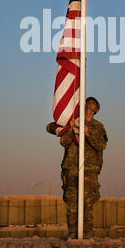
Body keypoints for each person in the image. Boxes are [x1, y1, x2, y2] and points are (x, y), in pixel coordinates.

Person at [46, 97, 108, 239]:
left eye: (92, 104)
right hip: (71, 168)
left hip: (89, 170)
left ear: (96, 110)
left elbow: (101, 145)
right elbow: (64, 142)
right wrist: (70, 128)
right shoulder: (73, 122)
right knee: (72, 204)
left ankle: (87, 233)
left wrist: (88, 133)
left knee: (87, 203)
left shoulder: (98, 127)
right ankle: (73, 233)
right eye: (87, 103)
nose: (89, 105)